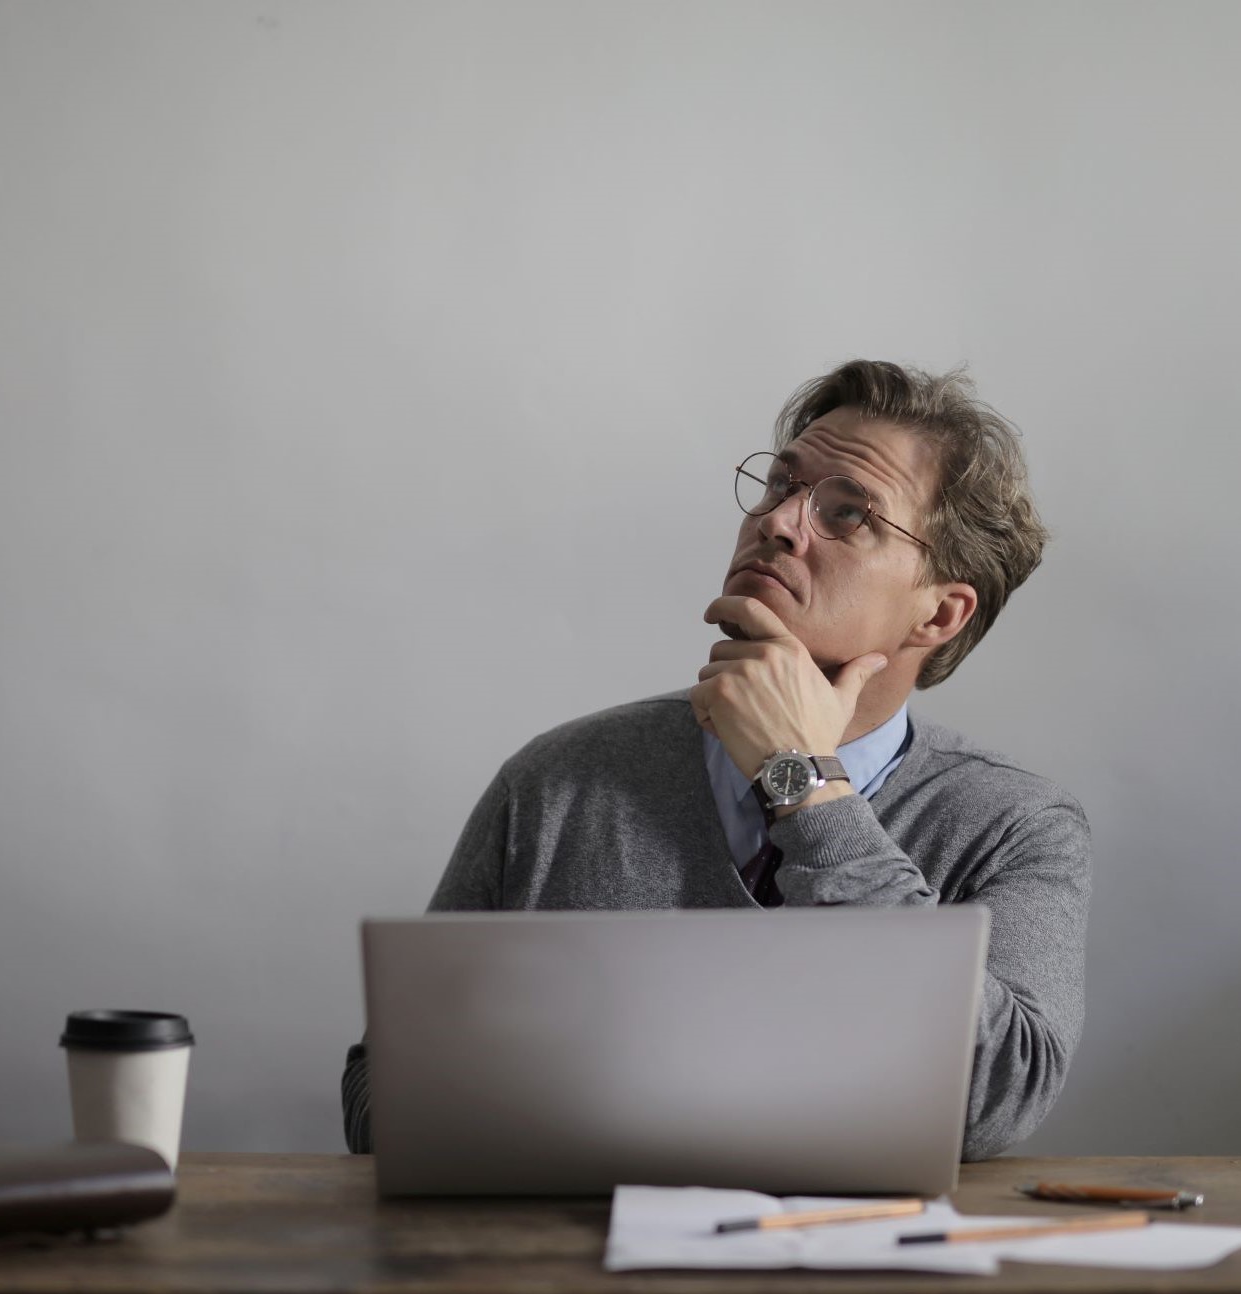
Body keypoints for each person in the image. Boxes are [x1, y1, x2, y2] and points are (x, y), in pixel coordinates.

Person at [341, 360, 1090, 1161]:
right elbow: (383, 1099)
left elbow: (995, 1102)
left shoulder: (1015, 826)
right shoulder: (559, 782)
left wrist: (805, 783)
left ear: (939, 613)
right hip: (577, 1240)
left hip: (856, 1247)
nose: (779, 522)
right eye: (781, 485)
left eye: (847, 512)